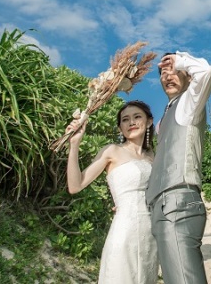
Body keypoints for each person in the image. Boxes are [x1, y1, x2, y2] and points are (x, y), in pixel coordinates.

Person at [67, 100, 159, 284]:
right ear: (120, 128)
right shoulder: (112, 151)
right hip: (125, 231)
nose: (131, 122)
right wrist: (74, 145)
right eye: (125, 119)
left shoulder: (153, 156)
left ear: (149, 122)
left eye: (137, 116)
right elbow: (75, 186)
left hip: (151, 234)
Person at [145, 51, 211, 284]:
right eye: (163, 72)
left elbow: (207, 73)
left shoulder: (189, 103)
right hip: (162, 205)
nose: (168, 76)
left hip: (177, 201)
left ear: (187, 77)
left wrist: (181, 60)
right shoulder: (163, 120)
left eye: (176, 71)